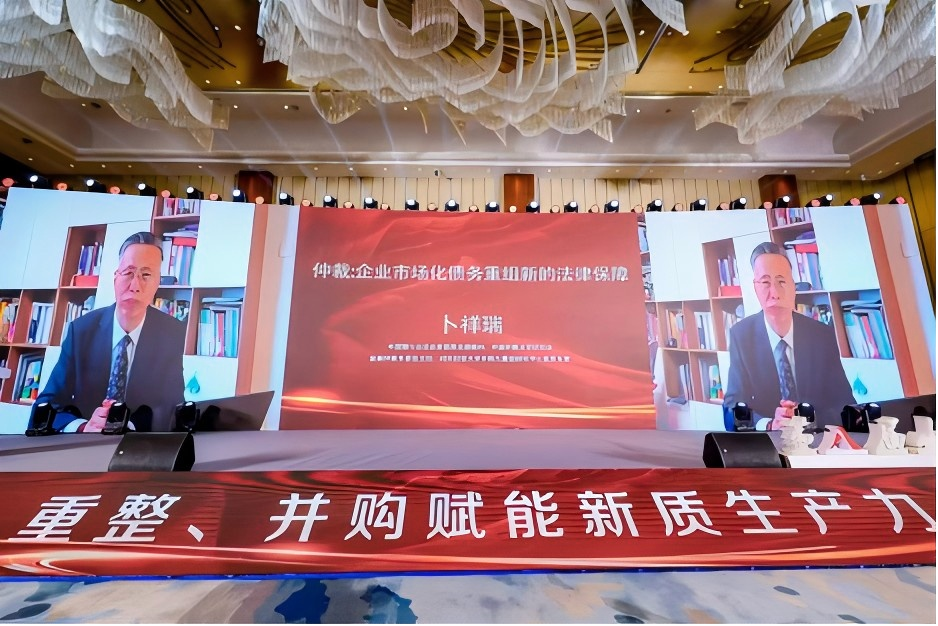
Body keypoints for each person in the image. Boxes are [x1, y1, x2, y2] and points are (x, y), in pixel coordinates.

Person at [35, 232, 186, 432]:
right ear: (115, 277)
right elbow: (46, 404)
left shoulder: (173, 334)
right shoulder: (80, 331)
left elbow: (172, 406)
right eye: (128, 273)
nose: (135, 286)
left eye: (146, 275)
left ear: (157, 283)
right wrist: (83, 427)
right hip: (86, 443)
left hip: (137, 443)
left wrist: (126, 425)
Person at [723, 241, 855, 431]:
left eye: (782, 281)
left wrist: (808, 418)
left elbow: (847, 406)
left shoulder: (821, 335)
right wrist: (769, 424)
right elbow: (731, 410)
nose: (775, 293)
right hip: (768, 442)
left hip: (816, 439)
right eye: (765, 282)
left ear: (794, 286)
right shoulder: (741, 336)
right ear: (755, 287)